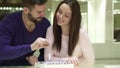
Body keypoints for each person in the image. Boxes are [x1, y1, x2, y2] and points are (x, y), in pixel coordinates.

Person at [45, 0, 95, 67]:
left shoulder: (81, 34)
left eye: (66, 15)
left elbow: (90, 61)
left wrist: (60, 60)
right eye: (60, 12)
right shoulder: (50, 30)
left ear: (73, 18)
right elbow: (48, 59)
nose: (60, 16)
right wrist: (68, 61)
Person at [0, 0, 50, 66]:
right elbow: (2, 52)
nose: (43, 14)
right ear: (26, 10)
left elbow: (46, 53)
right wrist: (30, 47)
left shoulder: (45, 24)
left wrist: (36, 58)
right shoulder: (9, 22)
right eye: (39, 12)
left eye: (44, 11)